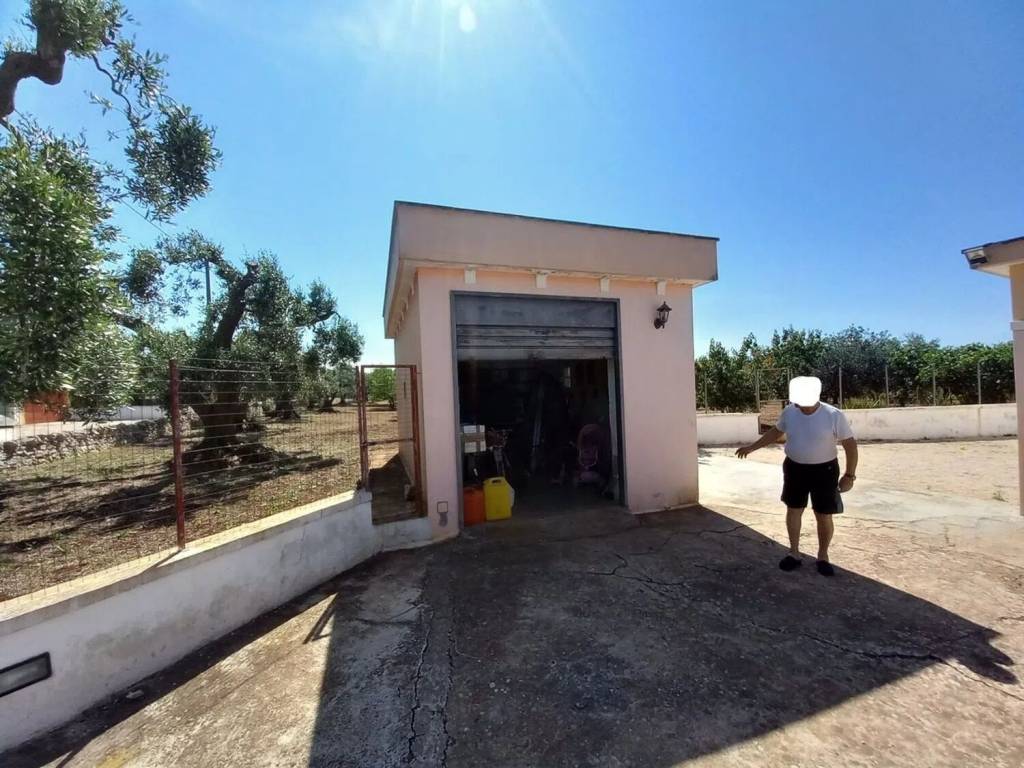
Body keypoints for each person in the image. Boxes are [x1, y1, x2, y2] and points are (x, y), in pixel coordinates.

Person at [735, 376, 858, 577]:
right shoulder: (790, 412)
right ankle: (794, 553)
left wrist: (849, 475)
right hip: (795, 469)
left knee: (823, 515)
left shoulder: (833, 415)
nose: (799, 405)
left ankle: (823, 556)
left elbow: (850, 445)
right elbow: (775, 433)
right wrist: (751, 448)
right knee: (794, 511)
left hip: (825, 471)